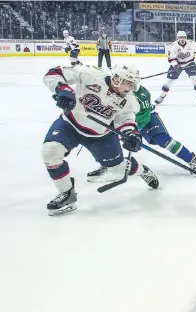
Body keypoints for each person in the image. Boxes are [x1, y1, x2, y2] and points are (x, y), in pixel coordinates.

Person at [42, 64, 159, 216]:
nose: (130, 88)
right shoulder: (90, 75)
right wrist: (63, 90)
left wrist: (132, 135)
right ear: (117, 79)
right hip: (69, 125)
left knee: (118, 168)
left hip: (100, 136)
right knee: (50, 152)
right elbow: (53, 73)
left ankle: (143, 171)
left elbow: (126, 121)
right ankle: (67, 194)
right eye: (128, 83)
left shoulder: (129, 100)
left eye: (132, 84)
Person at [88, 85, 196, 180]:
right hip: (123, 122)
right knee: (105, 141)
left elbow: (141, 118)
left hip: (146, 119)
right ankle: (106, 164)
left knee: (164, 140)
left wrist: (132, 134)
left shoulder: (140, 94)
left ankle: (191, 159)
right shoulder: (110, 91)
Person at [155, 31, 196, 105]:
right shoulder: (173, 46)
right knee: (169, 81)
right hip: (178, 64)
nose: (182, 39)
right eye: (180, 37)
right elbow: (171, 59)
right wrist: (176, 66)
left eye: (183, 37)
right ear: (177, 38)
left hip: (190, 63)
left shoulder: (191, 43)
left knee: (195, 79)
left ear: (186, 38)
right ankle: (162, 97)